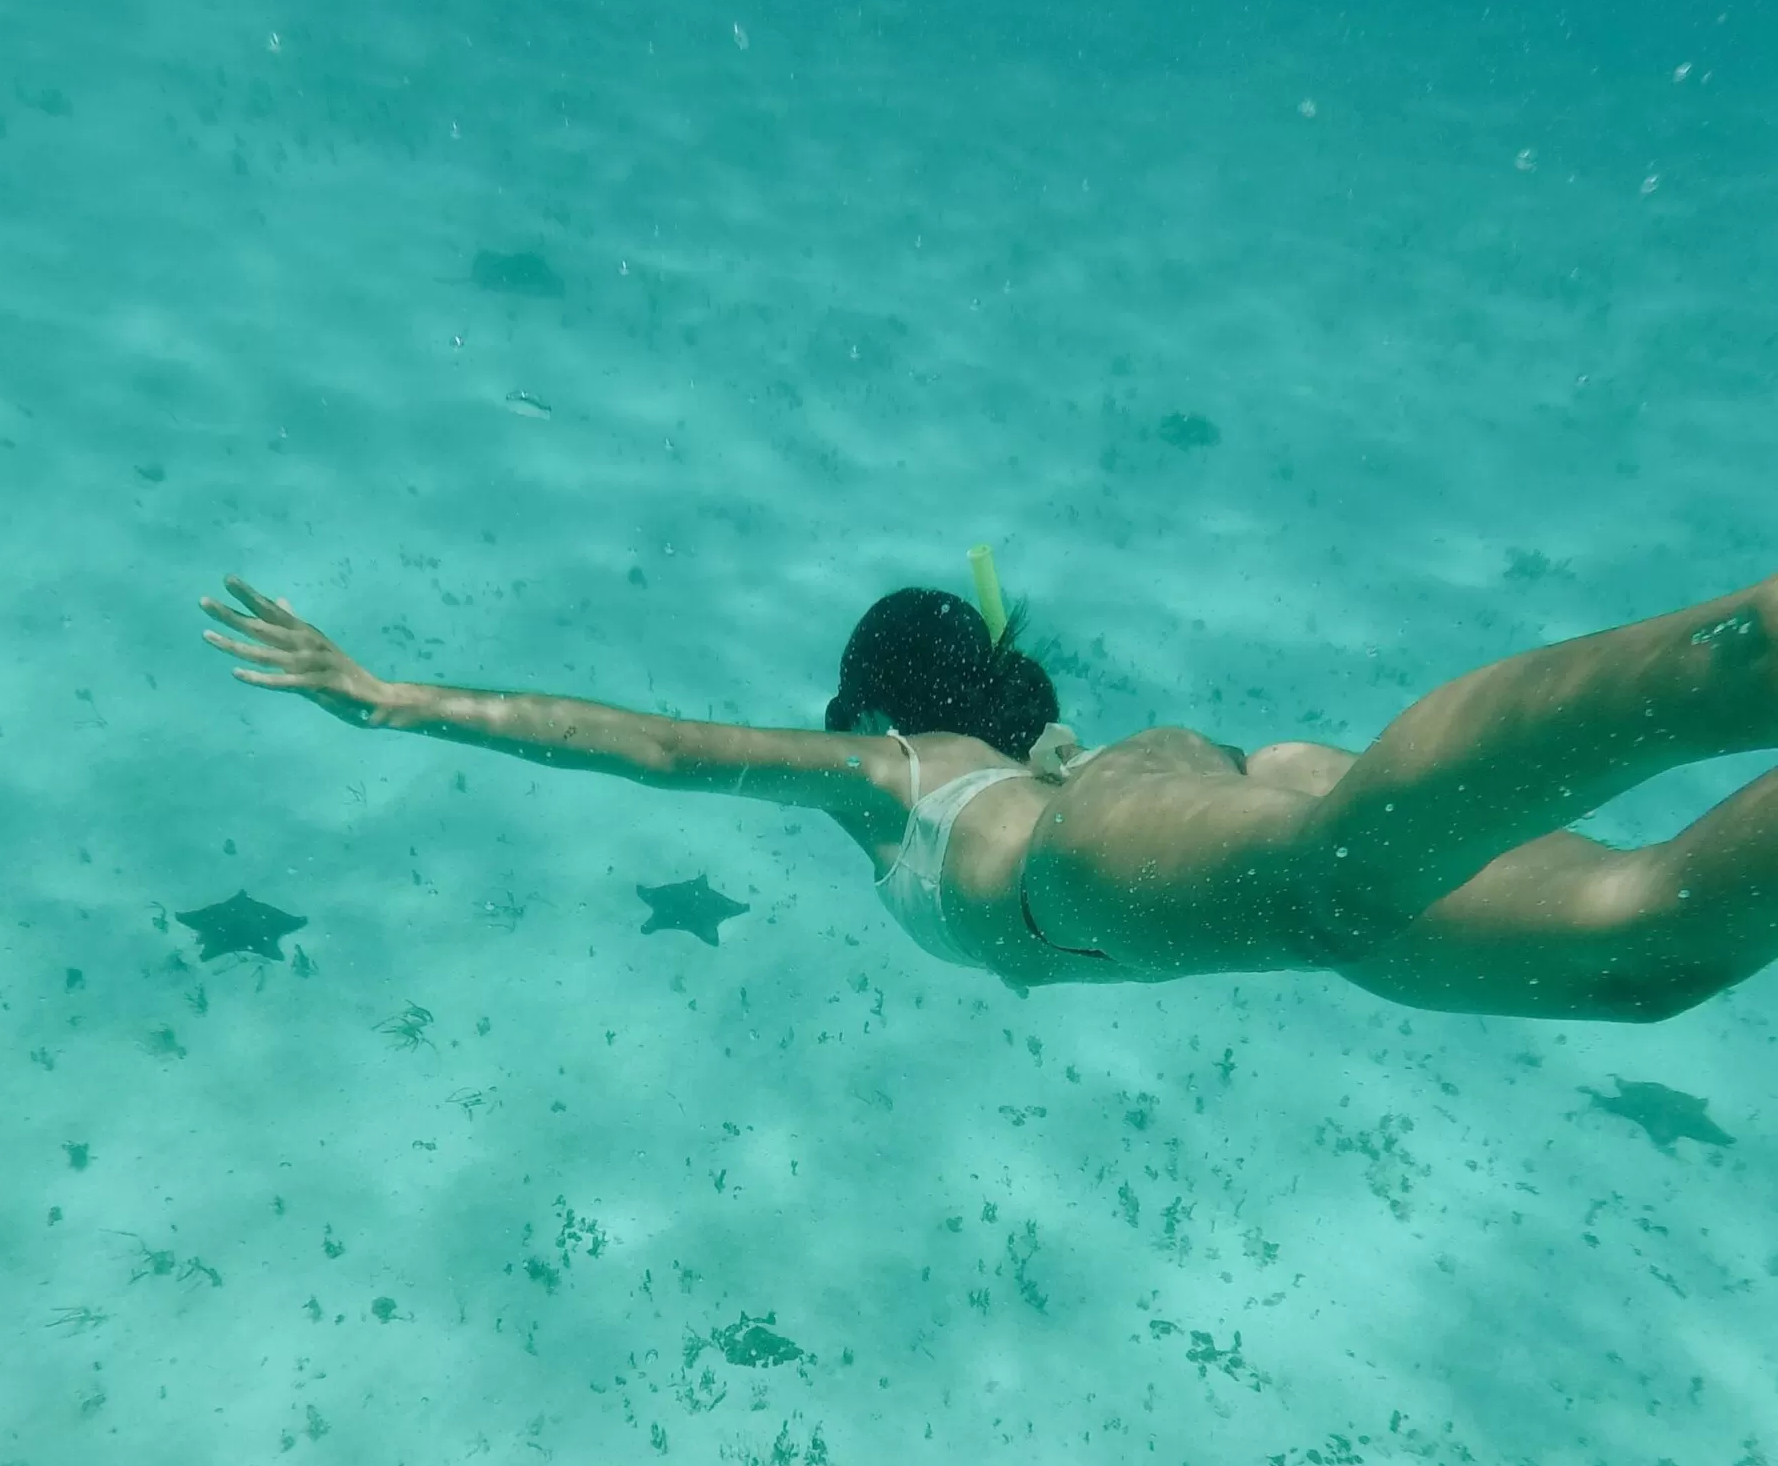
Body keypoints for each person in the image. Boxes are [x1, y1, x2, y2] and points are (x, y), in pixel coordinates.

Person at [200, 564, 1778, 1021]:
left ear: (874, 698)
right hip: (1172, 799)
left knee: (1327, 874)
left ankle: (1738, 656)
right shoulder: (1031, 748)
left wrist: (397, 701)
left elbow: (660, 746)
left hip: (1081, 864)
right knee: (1643, 957)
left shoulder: (888, 775)